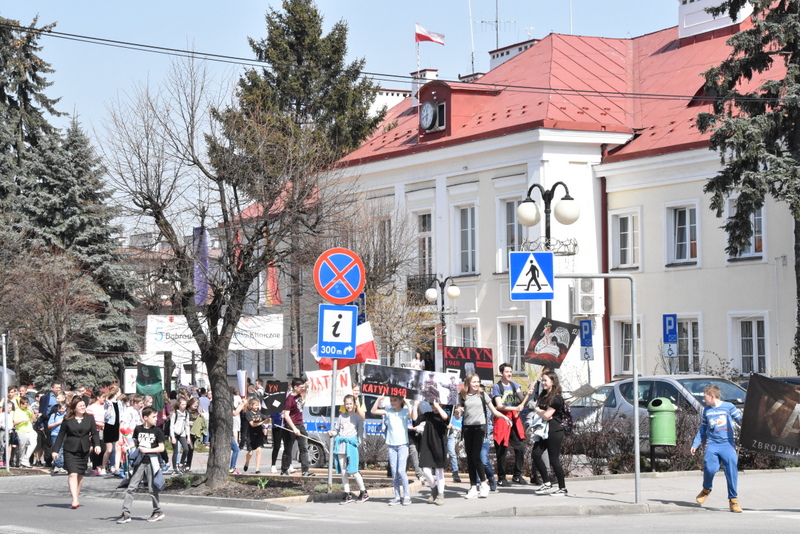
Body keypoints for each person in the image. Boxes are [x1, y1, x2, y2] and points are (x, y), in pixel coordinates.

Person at [455, 373, 509, 499]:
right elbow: (457, 416)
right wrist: (458, 412)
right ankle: (473, 487)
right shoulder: (462, 395)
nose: (476, 384)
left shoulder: (483, 395)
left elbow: (494, 411)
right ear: (468, 382)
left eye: (477, 382)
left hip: (480, 428)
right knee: (470, 458)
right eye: (474, 382)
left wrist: (505, 417)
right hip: (467, 428)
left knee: (476, 456)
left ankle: (484, 484)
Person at [691, 384, 744, 513]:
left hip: (727, 444)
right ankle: (706, 489)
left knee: (731, 472)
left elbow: (740, 420)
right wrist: (695, 444)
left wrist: (746, 420)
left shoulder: (729, 407)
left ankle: (733, 501)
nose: (704, 399)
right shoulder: (707, 410)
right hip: (712, 444)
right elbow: (703, 428)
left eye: (705, 396)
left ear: (712, 396)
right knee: (710, 468)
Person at [116, 406, 166, 524]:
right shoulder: (138, 429)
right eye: (154, 417)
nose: (156, 419)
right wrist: (128, 446)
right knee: (131, 487)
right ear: (145, 417)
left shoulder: (157, 431)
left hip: (151, 462)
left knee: (152, 488)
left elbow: (161, 448)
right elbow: (136, 443)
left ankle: (158, 511)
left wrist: (148, 450)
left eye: (156, 416)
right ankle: (126, 513)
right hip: (139, 462)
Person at [51, 397, 102, 508]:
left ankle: (76, 497)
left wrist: (97, 445)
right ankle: (74, 499)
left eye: (84, 405)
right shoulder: (67, 419)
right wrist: (55, 450)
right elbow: (61, 435)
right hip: (70, 450)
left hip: (84, 450)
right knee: (72, 474)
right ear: (74, 408)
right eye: (80, 406)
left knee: (79, 475)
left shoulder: (89, 418)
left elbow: (94, 433)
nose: (83, 407)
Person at [491, 363, 532, 486]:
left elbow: (522, 400)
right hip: (502, 419)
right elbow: (499, 405)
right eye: (507, 372)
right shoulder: (497, 387)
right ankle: (501, 477)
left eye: (510, 371)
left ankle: (517, 475)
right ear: (501, 373)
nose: (509, 374)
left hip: (514, 419)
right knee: (501, 450)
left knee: (520, 447)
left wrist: (528, 394)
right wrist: (515, 407)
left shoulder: (515, 385)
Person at [371, 395, 413, 506]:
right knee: (394, 472)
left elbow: (413, 417)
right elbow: (373, 411)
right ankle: (397, 496)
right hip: (391, 445)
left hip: (403, 445)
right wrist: (379, 399)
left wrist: (408, 403)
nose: (393, 402)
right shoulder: (388, 411)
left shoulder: (405, 412)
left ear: (400, 401)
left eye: (395, 400)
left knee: (401, 471)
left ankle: (407, 496)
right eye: (391, 400)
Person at [531, 371, 568, 496]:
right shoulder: (543, 395)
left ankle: (562, 488)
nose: (543, 383)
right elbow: (544, 413)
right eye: (542, 380)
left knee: (554, 459)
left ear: (553, 382)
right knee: (536, 454)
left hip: (554, 431)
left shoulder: (557, 398)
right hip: (542, 431)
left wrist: (538, 410)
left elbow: (547, 415)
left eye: (545, 380)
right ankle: (547, 483)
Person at [329, 394, 369, 504]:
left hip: (351, 446)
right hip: (341, 445)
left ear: (354, 404)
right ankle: (347, 493)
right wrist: (332, 433)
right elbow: (336, 430)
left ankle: (363, 491)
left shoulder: (358, 418)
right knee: (343, 471)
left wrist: (357, 443)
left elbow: (360, 435)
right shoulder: (341, 417)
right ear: (344, 405)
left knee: (354, 470)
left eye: (351, 403)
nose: (349, 406)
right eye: (347, 404)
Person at [413, 399, 449, 506]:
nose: (432, 405)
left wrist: (438, 406)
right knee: (425, 471)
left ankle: (441, 494)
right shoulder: (428, 415)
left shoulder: (444, 414)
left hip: (439, 445)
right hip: (427, 445)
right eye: (431, 404)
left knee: (439, 471)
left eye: (434, 403)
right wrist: (415, 406)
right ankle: (434, 489)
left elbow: (445, 418)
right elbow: (415, 420)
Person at [281, 378, 313, 476]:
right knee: (288, 449)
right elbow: (286, 415)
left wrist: (307, 384)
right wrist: (294, 428)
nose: (303, 388)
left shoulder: (299, 395)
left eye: (303, 387)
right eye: (301, 387)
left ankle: (305, 470)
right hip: (290, 426)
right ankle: (284, 469)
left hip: (300, 424)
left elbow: (306, 391)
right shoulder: (289, 399)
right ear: (295, 387)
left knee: (304, 448)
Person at [103, 385, 124, 476]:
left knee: (118, 448)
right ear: (116, 392)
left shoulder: (119, 403)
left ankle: (116, 468)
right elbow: (106, 416)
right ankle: (103, 467)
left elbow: (122, 416)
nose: (120, 393)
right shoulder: (107, 403)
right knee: (109, 450)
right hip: (109, 426)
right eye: (119, 392)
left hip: (117, 426)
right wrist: (109, 406)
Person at [13, 396, 37, 468]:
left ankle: (25, 459)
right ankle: (21, 462)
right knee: (22, 448)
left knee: (34, 444)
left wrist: (31, 411)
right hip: (21, 431)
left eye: (27, 404)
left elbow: (34, 419)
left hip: (30, 430)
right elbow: (15, 422)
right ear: (21, 404)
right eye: (24, 404)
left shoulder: (28, 410)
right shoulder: (17, 411)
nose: (25, 406)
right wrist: (23, 420)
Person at [243, 398, 265, 473]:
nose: (257, 407)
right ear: (251, 405)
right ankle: (247, 462)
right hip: (250, 435)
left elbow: (266, 418)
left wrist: (268, 418)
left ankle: (257, 469)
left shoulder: (260, 412)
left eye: (258, 405)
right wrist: (262, 422)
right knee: (250, 453)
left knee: (259, 451)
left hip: (259, 434)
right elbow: (252, 424)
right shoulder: (248, 413)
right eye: (255, 405)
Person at [169, 397, 191, 474]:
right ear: (179, 405)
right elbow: (171, 426)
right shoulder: (175, 413)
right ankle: (174, 468)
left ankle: (181, 464)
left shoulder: (186, 413)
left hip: (182, 433)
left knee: (186, 449)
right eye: (182, 404)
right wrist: (172, 437)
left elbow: (187, 425)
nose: (184, 406)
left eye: (185, 404)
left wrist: (188, 437)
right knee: (176, 451)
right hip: (175, 433)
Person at [186, 397, 207, 472]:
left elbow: (197, 420)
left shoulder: (196, 412)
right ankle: (185, 464)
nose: (195, 407)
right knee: (189, 448)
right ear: (190, 404)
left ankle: (188, 465)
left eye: (197, 406)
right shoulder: (186, 411)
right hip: (187, 432)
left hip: (194, 433)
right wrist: (188, 423)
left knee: (191, 449)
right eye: (194, 406)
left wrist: (199, 414)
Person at [48, 400, 68, 474]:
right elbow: (49, 425)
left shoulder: (67, 416)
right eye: (59, 408)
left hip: (64, 435)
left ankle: (60, 465)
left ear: (65, 408)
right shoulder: (54, 415)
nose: (61, 410)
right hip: (55, 434)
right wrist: (58, 423)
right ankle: (58, 465)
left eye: (63, 408)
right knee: (57, 450)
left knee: (62, 450)